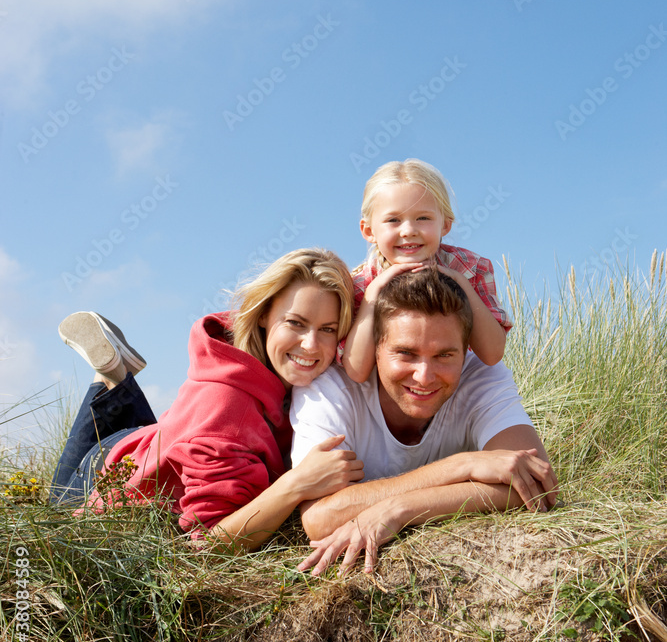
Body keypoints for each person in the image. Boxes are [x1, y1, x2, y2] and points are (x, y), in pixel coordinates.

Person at [50, 248, 364, 551]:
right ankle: (111, 378)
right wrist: (296, 484)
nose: (310, 345)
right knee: (57, 503)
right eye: (295, 323)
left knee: (171, 432)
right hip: (103, 475)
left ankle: (119, 377)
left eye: (327, 329)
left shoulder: (272, 363)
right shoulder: (230, 412)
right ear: (265, 313)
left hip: (154, 442)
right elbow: (208, 543)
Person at [291, 268, 558, 575]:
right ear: (374, 347)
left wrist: (400, 509)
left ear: (465, 351)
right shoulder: (329, 389)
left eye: (444, 355)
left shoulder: (481, 376)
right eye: (406, 353)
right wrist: (463, 466)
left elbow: (534, 483)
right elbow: (319, 519)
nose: (424, 376)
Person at [340, 158, 511, 383]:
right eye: (393, 220)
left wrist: (461, 285)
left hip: (446, 383)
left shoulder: (470, 268)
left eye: (423, 218)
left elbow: (491, 355)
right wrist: (373, 294)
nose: (409, 230)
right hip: (385, 391)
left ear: (445, 224)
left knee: (496, 376)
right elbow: (356, 372)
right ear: (369, 230)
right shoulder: (358, 285)